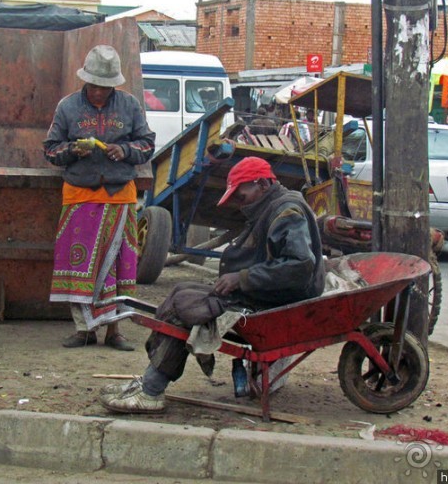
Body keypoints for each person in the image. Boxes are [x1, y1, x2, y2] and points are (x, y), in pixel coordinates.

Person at [99, 156, 326, 413]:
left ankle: (151, 390)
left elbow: (299, 266)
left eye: (241, 196)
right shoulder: (272, 205)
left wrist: (242, 278)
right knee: (180, 291)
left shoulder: (286, 212)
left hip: (283, 297)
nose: (240, 205)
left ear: (262, 184)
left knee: (188, 306)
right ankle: (149, 382)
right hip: (269, 290)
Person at [43, 45, 156, 351]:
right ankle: (84, 329)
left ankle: (114, 331)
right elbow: (51, 149)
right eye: (94, 86)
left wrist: (127, 151)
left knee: (118, 265)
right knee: (79, 264)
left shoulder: (130, 106)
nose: (98, 93)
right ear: (86, 81)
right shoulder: (67, 107)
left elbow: (147, 144)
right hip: (80, 193)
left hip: (119, 195)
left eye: (105, 88)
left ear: (113, 86)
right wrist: (71, 151)